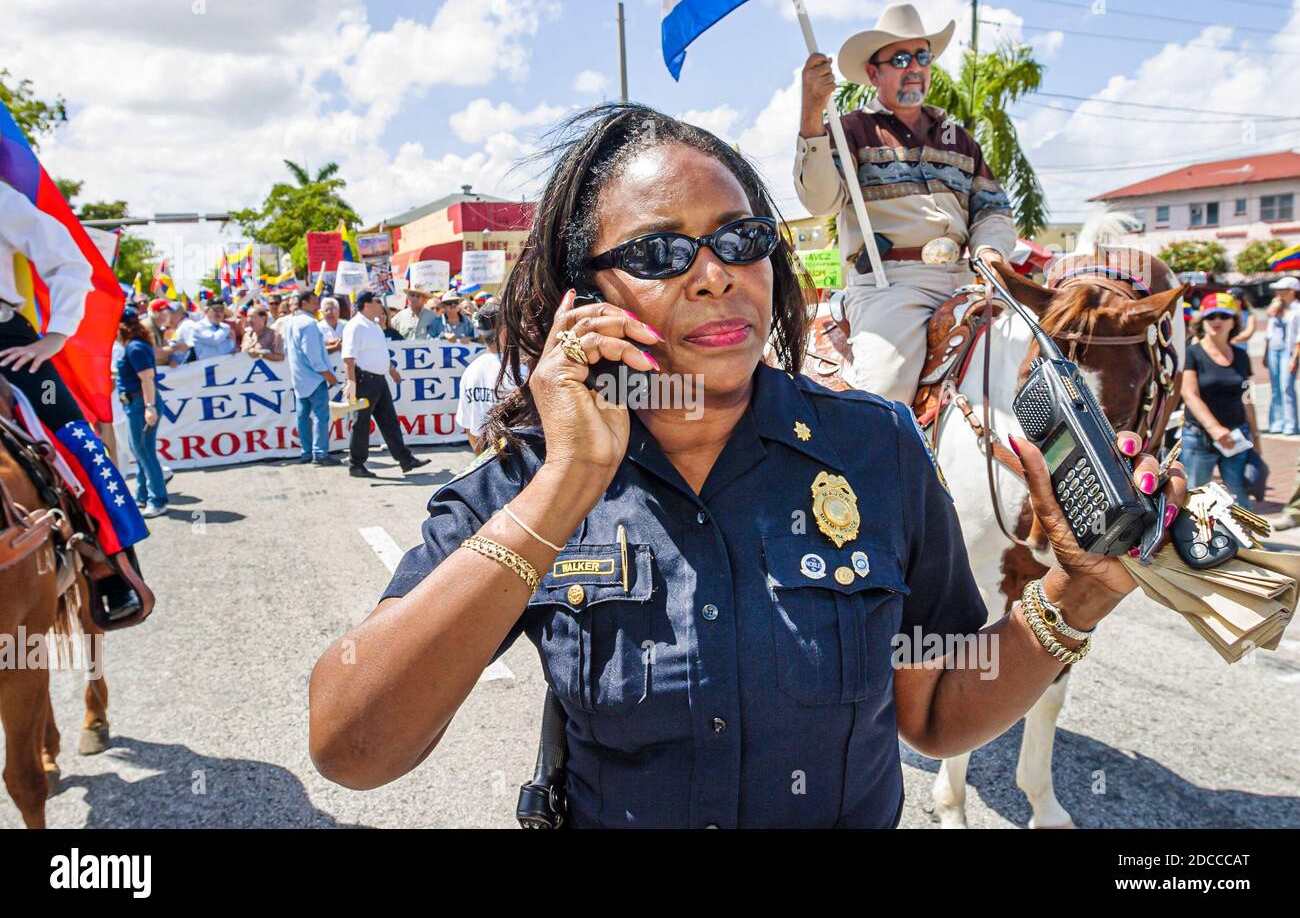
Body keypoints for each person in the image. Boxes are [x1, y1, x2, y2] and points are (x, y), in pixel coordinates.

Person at [308, 104, 1185, 826]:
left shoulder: (876, 446)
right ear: (587, 293)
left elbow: (936, 710)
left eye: (740, 238)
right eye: (659, 252)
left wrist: (1076, 599)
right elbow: (352, 748)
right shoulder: (528, 479)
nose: (713, 274)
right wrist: (567, 484)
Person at [793, 3, 1016, 404]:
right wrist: (812, 114)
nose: (914, 66)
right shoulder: (850, 132)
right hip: (890, 285)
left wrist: (990, 253)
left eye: (922, 56)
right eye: (900, 58)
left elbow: (992, 209)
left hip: (967, 280)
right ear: (874, 73)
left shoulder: (958, 137)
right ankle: (875, 462)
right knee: (885, 392)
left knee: (1039, 353)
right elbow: (821, 201)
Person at [0, 178, 154, 623]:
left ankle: (110, 564)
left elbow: (70, 261)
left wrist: (54, 337)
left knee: (70, 433)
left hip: (5, 341)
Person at [340, 290, 430, 479]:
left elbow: (378, 353)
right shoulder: (355, 326)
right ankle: (356, 464)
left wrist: (390, 370)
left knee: (390, 421)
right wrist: (351, 382)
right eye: (377, 301)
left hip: (379, 380)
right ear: (366, 304)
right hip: (364, 380)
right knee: (361, 424)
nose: (381, 305)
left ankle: (405, 459)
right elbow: (348, 357)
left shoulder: (373, 325)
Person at [1179, 293, 1257, 507]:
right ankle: (1198, 540)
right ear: (1202, 321)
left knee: (1238, 496)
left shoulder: (1241, 356)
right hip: (1199, 437)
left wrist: (1256, 439)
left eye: (1224, 315)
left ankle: (1241, 540)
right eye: (1211, 316)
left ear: (1234, 321)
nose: (1217, 321)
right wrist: (1215, 429)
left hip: (1236, 435)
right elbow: (1189, 394)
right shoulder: (1192, 353)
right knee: (1197, 497)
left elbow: (1247, 397)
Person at [116, 307, 169, 518]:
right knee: (139, 451)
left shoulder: (135, 347)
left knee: (144, 452)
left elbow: (147, 379)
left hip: (140, 403)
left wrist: (149, 408)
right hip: (136, 403)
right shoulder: (134, 346)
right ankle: (143, 495)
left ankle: (158, 500)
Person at [456, 301, 522, 452]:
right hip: (516, 458)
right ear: (504, 331)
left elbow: (469, 427)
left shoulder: (469, 372)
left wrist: (482, 461)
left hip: (486, 460)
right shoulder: (518, 371)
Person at [285, 290, 341, 466]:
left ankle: (306, 452)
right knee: (319, 416)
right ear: (304, 304)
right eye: (314, 302)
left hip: (299, 377)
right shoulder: (309, 324)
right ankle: (320, 453)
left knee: (302, 416)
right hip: (314, 377)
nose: (318, 306)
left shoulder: (291, 322)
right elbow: (313, 353)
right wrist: (328, 374)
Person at [1264, 276, 1300, 435]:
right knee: (1275, 388)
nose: (1278, 293)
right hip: (1274, 350)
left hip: (1288, 352)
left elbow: (1299, 337)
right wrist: (1265, 352)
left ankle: (1291, 424)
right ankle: (1277, 422)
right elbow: (1269, 332)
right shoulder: (1277, 307)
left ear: (1292, 291)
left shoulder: (1297, 309)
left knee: (1287, 387)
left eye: (1282, 290)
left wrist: (1294, 358)